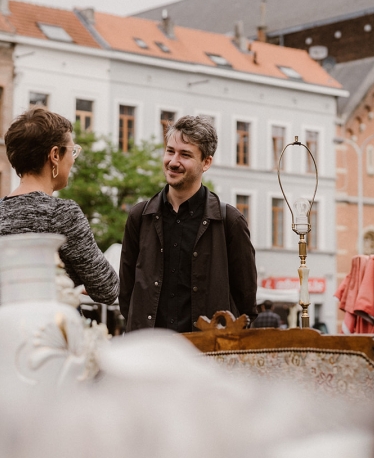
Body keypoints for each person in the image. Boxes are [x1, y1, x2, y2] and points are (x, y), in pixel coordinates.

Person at [119, 115, 257, 333]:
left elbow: (246, 305)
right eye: (170, 151)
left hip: (207, 358)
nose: (173, 161)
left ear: (206, 162)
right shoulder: (139, 216)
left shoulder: (230, 222)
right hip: (150, 356)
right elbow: (126, 294)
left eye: (185, 155)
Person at [0, 108, 119, 305]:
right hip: (52, 330)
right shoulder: (62, 214)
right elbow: (107, 288)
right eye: (72, 151)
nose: (73, 159)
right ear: (55, 154)